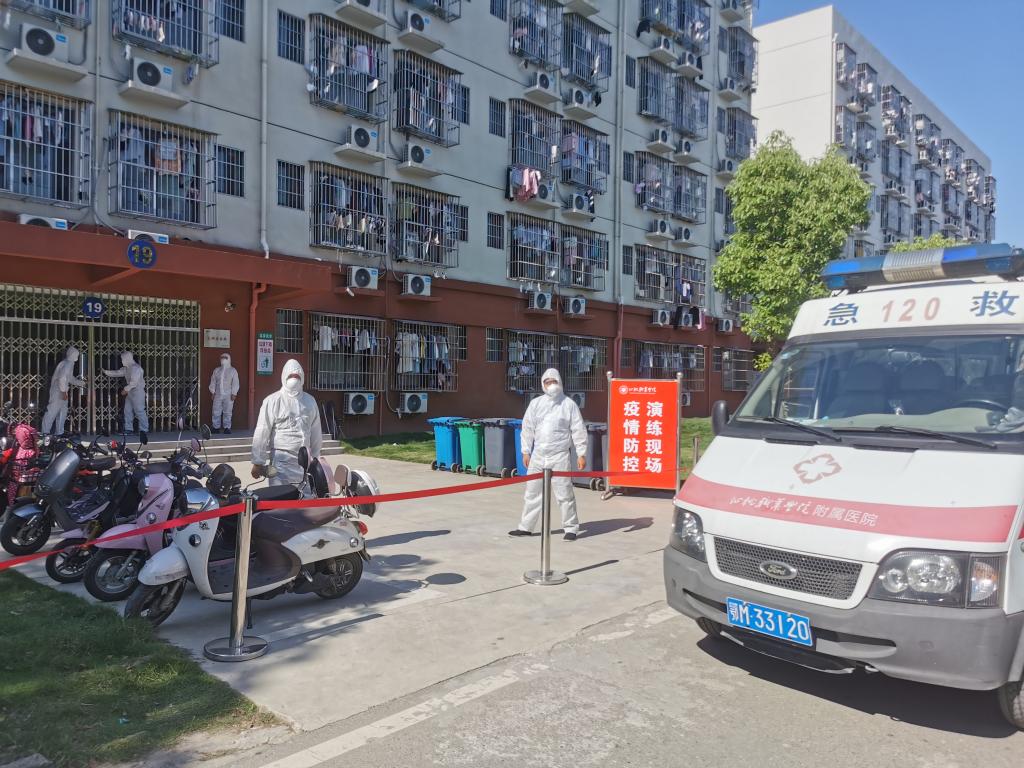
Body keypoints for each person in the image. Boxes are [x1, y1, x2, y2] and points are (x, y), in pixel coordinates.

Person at [510, 368, 587, 541]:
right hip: (538, 455)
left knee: (564, 493)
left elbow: (578, 429)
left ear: (559, 382)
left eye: (554, 381)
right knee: (532, 492)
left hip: (560, 456)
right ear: (543, 384)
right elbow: (527, 428)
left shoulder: (568, 405)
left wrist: (581, 453)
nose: (551, 385)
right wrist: (525, 451)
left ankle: (571, 528)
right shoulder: (536, 404)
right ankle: (526, 527)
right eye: (547, 382)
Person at [251, 359, 323, 486]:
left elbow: (316, 432)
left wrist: (315, 458)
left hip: (304, 461)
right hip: (281, 461)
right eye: (291, 376)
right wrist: (258, 462)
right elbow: (262, 431)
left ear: (302, 377)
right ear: (284, 377)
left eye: (297, 376)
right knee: (281, 496)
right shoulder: (272, 401)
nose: (294, 379)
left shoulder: (310, 401)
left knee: (304, 496)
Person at [41, 346, 86, 435]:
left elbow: (70, 378)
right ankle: (45, 433)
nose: (77, 357)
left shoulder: (69, 363)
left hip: (62, 391)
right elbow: (62, 378)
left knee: (62, 413)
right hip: (59, 391)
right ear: (72, 355)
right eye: (76, 355)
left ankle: (59, 433)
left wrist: (82, 383)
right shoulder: (67, 364)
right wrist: (63, 392)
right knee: (52, 412)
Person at [103, 351, 148, 436]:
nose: (122, 361)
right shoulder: (127, 368)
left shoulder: (136, 368)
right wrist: (106, 372)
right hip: (130, 392)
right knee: (127, 410)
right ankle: (128, 429)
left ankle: (144, 429)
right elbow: (117, 373)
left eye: (123, 359)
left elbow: (134, 382)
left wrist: (125, 389)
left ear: (128, 358)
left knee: (139, 410)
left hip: (138, 391)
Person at [209, 352, 239, 434]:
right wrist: (213, 392)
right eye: (222, 357)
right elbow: (213, 381)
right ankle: (216, 427)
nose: (223, 359)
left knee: (228, 411)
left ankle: (227, 427)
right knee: (216, 410)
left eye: (225, 357)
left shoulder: (233, 370)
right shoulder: (217, 370)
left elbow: (235, 383)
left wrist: (234, 393)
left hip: (229, 394)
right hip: (217, 394)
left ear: (229, 359)